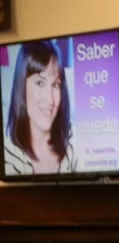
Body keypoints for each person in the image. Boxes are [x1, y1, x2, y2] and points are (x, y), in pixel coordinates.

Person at [3, 40, 77, 177]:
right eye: (40, 83)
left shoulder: (73, 143)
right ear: (22, 86)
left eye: (55, 85)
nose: (50, 99)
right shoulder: (7, 156)